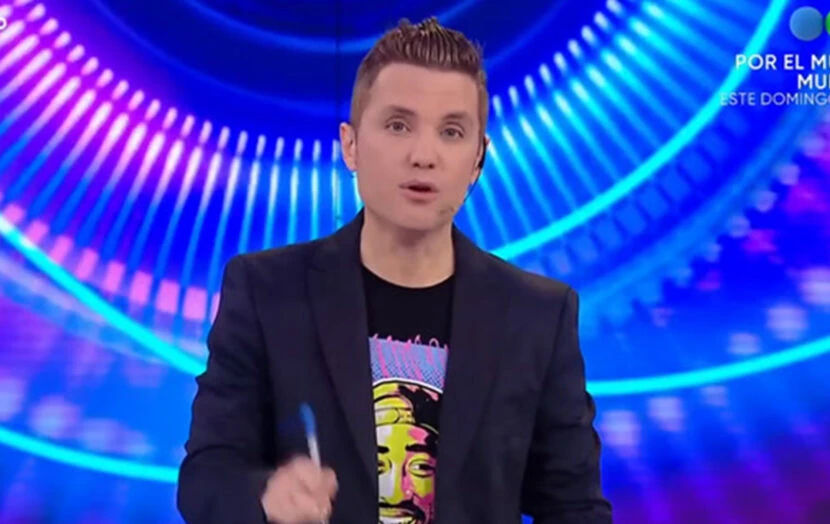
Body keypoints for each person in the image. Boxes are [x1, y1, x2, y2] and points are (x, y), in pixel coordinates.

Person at [177, 16, 612, 524]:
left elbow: (574, 507)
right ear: (351, 145)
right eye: (398, 125)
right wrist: (265, 497)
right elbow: (206, 477)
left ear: (477, 159)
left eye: (451, 132)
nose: (423, 155)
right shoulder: (266, 292)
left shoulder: (538, 315)